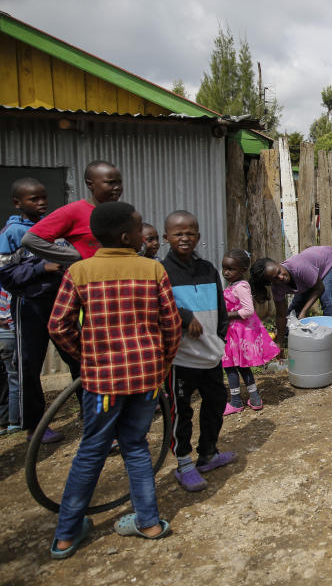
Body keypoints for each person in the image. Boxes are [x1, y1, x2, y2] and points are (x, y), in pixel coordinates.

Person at [47, 201, 181, 559]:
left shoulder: (79, 271)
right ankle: (149, 522)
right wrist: (162, 364)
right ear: (126, 236)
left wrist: (86, 357)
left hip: (102, 381)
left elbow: (58, 325)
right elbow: (171, 325)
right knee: (136, 446)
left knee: (91, 451)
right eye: (140, 229)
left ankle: (65, 535)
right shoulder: (152, 270)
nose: (144, 235)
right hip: (146, 377)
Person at [0, 178, 78, 444]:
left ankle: (90, 412)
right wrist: (41, 269)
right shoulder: (11, 233)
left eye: (44, 197)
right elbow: (6, 273)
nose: (42, 203)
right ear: (17, 203)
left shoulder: (52, 229)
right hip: (29, 305)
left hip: (60, 302)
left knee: (78, 356)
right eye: (34, 199)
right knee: (29, 366)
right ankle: (35, 425)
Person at [161, 210, 234, 492]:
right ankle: (184, 463)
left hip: (210, 355)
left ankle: (208, 454)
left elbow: (221, 310)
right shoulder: (161, 272)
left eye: (190, 232)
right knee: (181, 412)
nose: (184, 237)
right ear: (167, 236)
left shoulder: (207, 269)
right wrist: (184, 316)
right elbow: (157, 306)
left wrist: (221, 341)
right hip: (180, 358)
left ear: (199, 237)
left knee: (216, 402)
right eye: (178, 233)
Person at [23, 160, 123, 264]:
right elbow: (31, 239)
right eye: (110, 182)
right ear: (90, 184)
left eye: (119, 182)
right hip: (87, 277)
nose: (117, 188)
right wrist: (75, 257)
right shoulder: (74, 211)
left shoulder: (122, 213)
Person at [221, 249, 280, 415]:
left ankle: (236, 402)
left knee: (230, 366)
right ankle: (254, 399)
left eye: (230, 269)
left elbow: (248, 310)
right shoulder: (235, 284)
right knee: (241, 366)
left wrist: (225, 315)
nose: (226, 272)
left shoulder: (241, 287)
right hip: (235, 332)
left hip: (237, 334)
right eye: (224, 268)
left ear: (243, 270)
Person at [250, 245, 332, 344]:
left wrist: (304, 312)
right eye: (275, 278)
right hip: (310, 273)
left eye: (279, 272)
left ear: (278, 263)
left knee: (326, 297)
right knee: (294, 311)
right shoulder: (277, 288)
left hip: (330, 260)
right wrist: (280, 343)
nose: (281, 277)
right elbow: (281, 315)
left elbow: (319, 288)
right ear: (270, 282)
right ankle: (286, 337)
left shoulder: (299, 267)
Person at [0, 285, 13, 433]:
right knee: (12, 378)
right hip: (7, 335)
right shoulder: (8, 285)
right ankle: (14, 421)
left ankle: (3, 422)